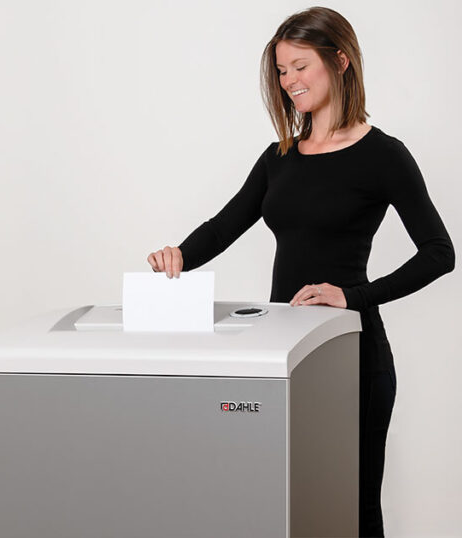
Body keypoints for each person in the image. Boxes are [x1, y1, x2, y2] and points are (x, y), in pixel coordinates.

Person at [146, 7, 454, 537]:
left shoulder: (383, 156)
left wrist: (353, 295)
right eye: (281, 71)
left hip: (351, 357)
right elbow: (223, 227)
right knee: (285, 505)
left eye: (299, 66)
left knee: (354, 511)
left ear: (340, 61)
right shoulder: (279, 157)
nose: (288, 82)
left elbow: (439, 252)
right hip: (279, 354)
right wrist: (179, 255)